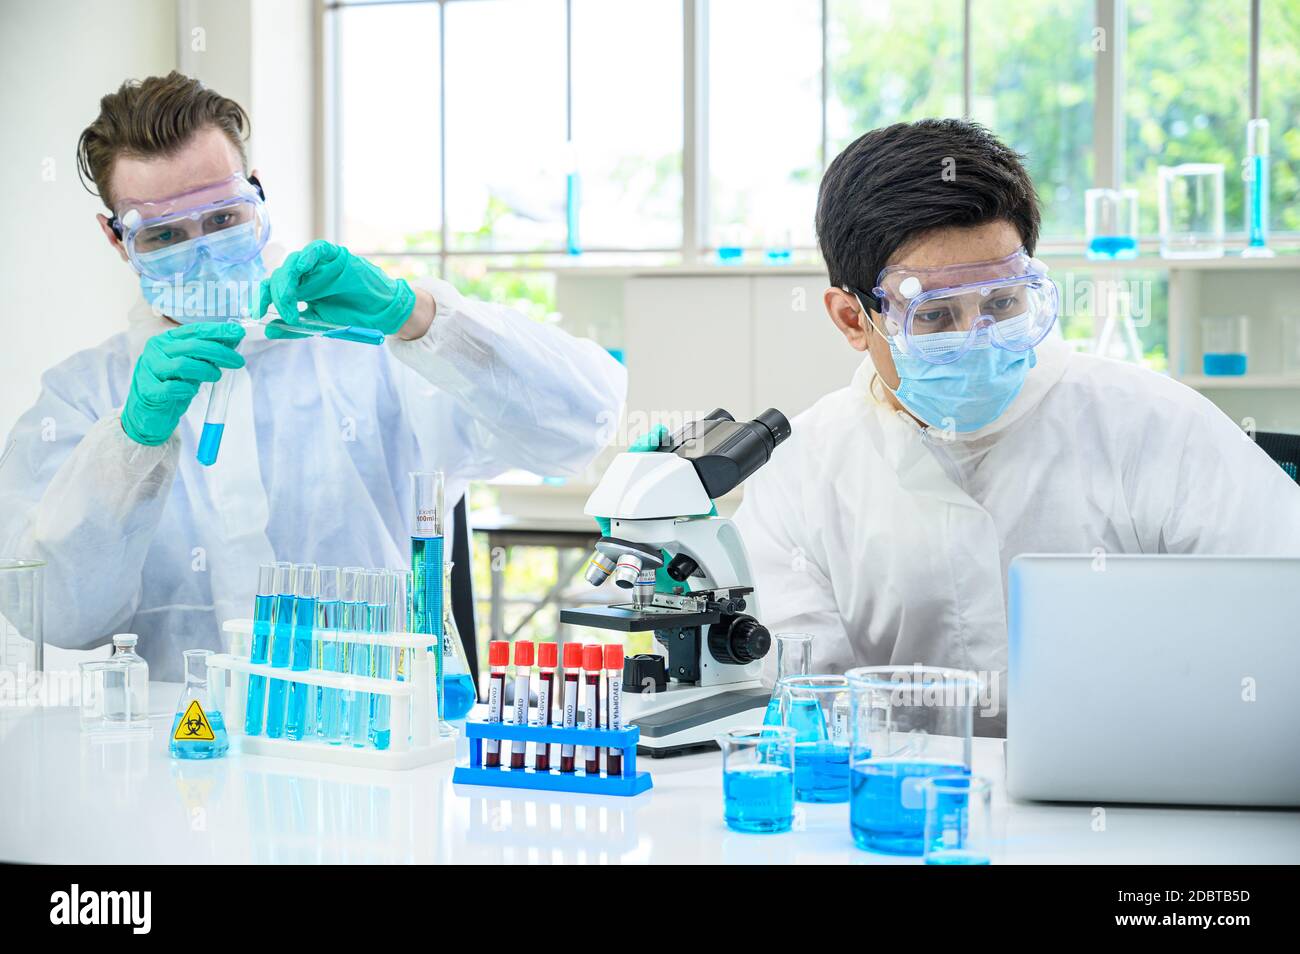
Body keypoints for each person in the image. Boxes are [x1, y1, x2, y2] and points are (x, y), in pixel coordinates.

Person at [0, 72, 625, 679]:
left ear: (258, 193)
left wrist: (419, 317)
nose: (205, 251)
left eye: (223, 219)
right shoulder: (83, 396)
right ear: (116, 239)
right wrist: (128, 447)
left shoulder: (371, 349)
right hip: (182, 759)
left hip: (378, 754)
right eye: (163, 234)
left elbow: (582, 424)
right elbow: (53, 616)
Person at [734, 119, 1300, 734]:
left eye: (1004, 304)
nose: (979, 340)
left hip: (1142, 809)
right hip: (897, 817)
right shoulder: (797, 476)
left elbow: (1280, 622)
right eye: (937, 316)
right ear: (852, 318)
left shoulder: (1156, 425)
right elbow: (801, 707)